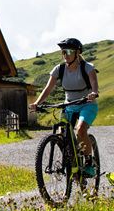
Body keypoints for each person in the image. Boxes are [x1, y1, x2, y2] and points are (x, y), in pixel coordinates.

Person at [29, 38, 99, 177]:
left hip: (87, 104)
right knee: (61, 134)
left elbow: (94, 83)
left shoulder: (87, 67)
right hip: (69, 105)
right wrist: (37, 103)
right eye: (63, 52)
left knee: (80, 130)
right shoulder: (59, 69)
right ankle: (71, 160)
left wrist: (94, 93)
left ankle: (89, 162)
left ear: (77, 53)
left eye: (68, 51)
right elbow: (48, 88)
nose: (65, 55)